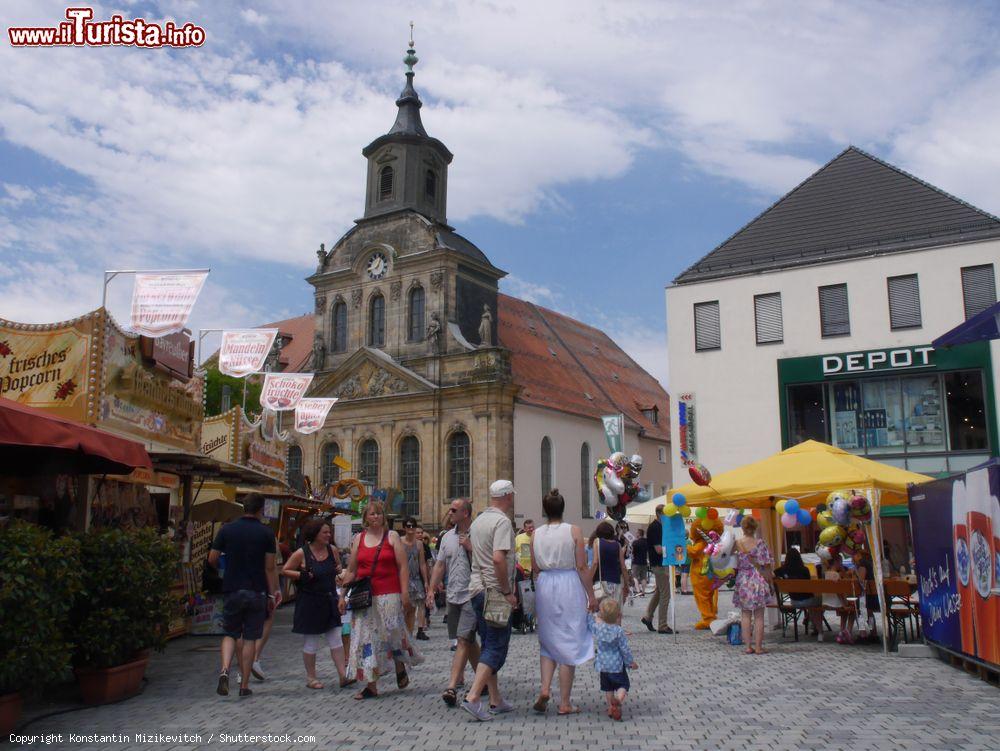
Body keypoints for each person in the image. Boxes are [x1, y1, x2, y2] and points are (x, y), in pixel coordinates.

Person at [342, 500, 422, 700]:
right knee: (367, 639)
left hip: (390, 594)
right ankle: (371, 685)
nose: (376, 517)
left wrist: (404, 593)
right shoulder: (358, 539)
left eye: (379, 513)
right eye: (372, 514)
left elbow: (403, 566)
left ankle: (398, 663)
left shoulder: (392, 536)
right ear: (365, 518)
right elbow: (351, 570)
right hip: (365, 597)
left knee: (391, 633)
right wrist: (342, 595)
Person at [531, 488, 597, 716]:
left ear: (544, 510)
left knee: (548, 641)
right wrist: (591, 595)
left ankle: (545, 688)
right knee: (569, 639)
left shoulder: (536, 534)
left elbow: (535, 568)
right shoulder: (574, 530)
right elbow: (581, 566)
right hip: (568, 583)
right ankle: (565, 702)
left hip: (545, 584)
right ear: (563, 508)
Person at [208, 492, 280, 698]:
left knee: (230, 633)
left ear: (243, 507)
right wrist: (273, 593)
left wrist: (225, 571)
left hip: (232, 587)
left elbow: (212, 558)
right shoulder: (266, 533)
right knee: (249, 638)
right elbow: (269, 567)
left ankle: (224, 670)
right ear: (261, 510)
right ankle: (244, 685)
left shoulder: (227, 529)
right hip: (257, 590)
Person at [460, 479, 517, 721]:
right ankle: (473, 697)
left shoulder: (479, 520)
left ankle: (495, 700)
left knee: (488, 642)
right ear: (508, 496)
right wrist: (506, 591)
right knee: (496, 646)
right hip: (494, 592)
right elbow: (498, 559)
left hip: (476, 589)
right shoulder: (502, 522)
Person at [281, 518, 355, 689]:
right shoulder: (302, 553)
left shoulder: (332, 550)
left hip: (329, 599)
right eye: (325, 532)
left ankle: (342, 676)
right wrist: (301, 575)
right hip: (309, 601)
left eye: (329, 532)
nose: (329, 535)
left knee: (335, 638)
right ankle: (311, 677)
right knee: (311, 641)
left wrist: (338, 571)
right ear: (315, 534)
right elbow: (285, 570)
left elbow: (337, 568)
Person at [427, 498, 476, 707]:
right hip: (453, 595)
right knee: (468, 640)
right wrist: (431, 589)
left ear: (465, 513)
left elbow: (488, 562)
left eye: (454, 509)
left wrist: (471, 547)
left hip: (472, 594)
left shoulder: (477, 534)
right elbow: (439, 565)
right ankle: (486, 677)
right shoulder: (447, 537)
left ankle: (452, 686)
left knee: (463, 640)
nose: (450, 512)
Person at [589, 598, 637, 721]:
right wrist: (630, 662)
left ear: (601, 615)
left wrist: (589, 612)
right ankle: (618, 700)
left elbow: (589, 623)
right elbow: (624, 649)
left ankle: (611, 706)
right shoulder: (619, 631)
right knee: (623, 684)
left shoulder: (599, 628)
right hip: (616, 665)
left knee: (608, 688)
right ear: (618, 616)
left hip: (603, 665)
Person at [733, 516, 773, 655]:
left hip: (743, 579)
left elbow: (728, 558)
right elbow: (767, 566)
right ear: (755, 528)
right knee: (759, 616)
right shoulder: (760, 543)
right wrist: (770, 582)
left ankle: (748, 646)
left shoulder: (737, 543)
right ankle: (759, 647)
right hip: (757, 579)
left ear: (742, 528)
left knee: (745, 615)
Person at [773, 547, 824, 640]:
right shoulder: (805, 570)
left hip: (794, 601)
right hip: (808, 601)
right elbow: (809, 587)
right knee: (821, 602)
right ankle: (818, 630)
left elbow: (773, 574)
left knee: (813, 606)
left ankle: (809, 618)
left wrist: (778, 579)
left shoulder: (783, 570)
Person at [640, 505, 673, 634]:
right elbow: (658, 549)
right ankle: (663, 625)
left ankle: (648, 617)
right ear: (659, 514)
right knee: (666, 594)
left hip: (661, 563)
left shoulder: (660, 527)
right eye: (665, 513)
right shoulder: (655, 527)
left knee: (660, 591)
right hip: (659, 564)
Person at [401, 518, 431, 640]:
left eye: (413, 526)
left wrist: (426, 581)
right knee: (403, 608)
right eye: (408, 526)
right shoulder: (399, 541)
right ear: (404, 528)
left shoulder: (419, 544)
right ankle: (402, 635)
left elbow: (422, 564)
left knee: (413, 608)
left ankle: (409, 636)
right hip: (403, 579)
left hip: (415, 578)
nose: (411, 528)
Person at [589, 521, 629, 605]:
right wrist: (626, 585)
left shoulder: (597, 542)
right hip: (616, 582)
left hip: (601, 582)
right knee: (614, 612)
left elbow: (595, 563)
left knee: (601, 612)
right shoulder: (617, 545)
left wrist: (588, 580)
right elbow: (623, 567)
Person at [823, 554, 854, 643]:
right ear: (836, 563)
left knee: (846, 607)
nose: (841, 564)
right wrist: (845, 604)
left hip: (826, 601)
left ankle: (842, 631)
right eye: (840, 562)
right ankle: (846, 631)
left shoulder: (826, 573)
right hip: (836, 602)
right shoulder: (836, 575)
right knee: (853, 609)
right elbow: (840, 592)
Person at [631, 529, 649, 596]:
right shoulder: (647, 541)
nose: (636, 534)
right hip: (644, 562)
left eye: (636, 533)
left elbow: (632, 552)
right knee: (643, 577)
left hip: (636, 562)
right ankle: (643, 591)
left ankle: (638, 591)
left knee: (634, 577)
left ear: (639, 534)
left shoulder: (635, 542)